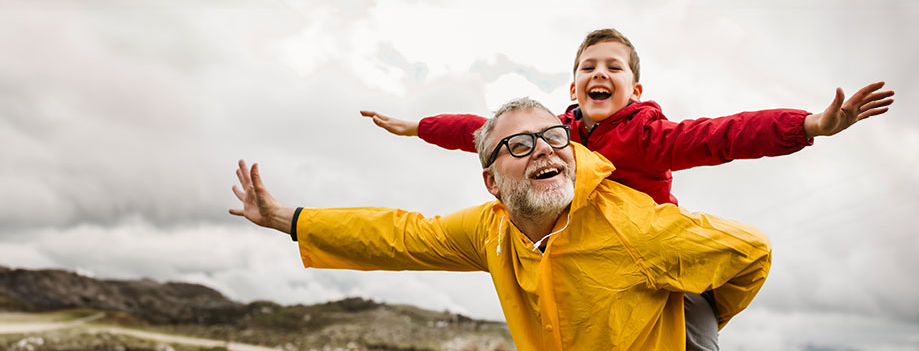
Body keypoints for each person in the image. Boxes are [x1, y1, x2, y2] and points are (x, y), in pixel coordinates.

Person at [360, 28, 895, 349]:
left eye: (613, 67)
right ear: (572, 87)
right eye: (589, 67)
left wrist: (807, 126)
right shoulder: (559, 135)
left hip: (662, 265)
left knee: (692, 333)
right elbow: (480, 131)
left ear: (634, 88)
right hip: (596, 267)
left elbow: (721, 136)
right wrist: (419, 126)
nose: (600, 73)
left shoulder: (646, 136)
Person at [230, 98, 772, 351]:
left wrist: (687, 320)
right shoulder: (491, 228)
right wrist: (287, 219)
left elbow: (752, 253)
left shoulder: (637, 229)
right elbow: (401, 235)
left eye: (553, 137)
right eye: (518, 145)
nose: (543, 149)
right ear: (492, 182)